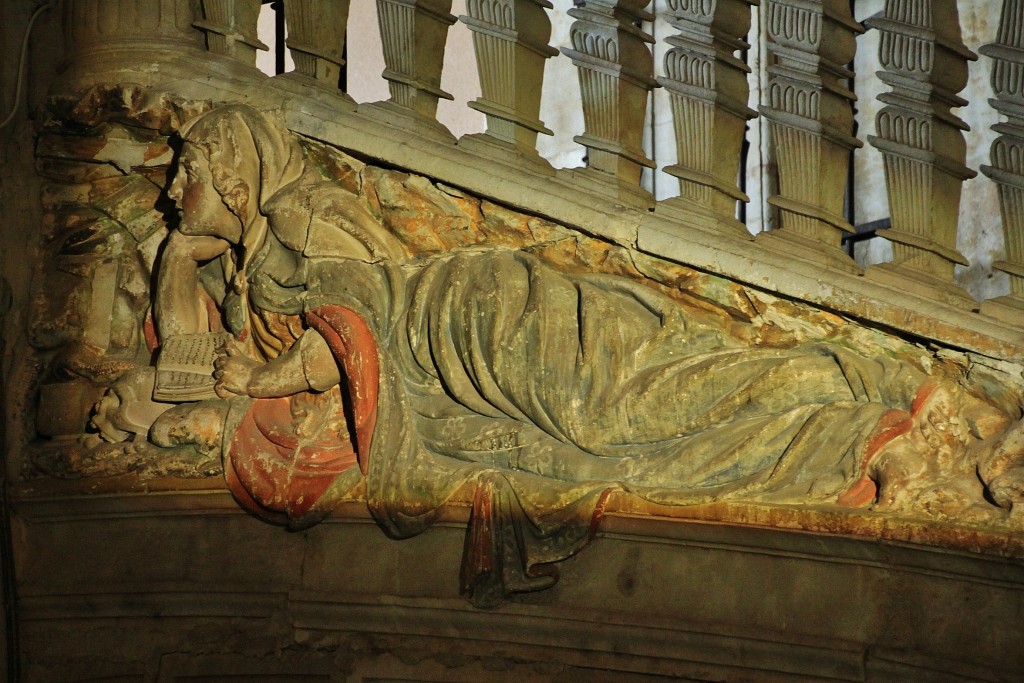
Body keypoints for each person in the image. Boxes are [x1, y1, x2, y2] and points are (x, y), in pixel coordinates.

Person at [147, 105, 1018, 605]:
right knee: (648, 422)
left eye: (186, 171)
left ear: (234, 179)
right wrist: (179, 257)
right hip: (463, 361)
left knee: (629, 409)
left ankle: (858, 397)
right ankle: (852, 424)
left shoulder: (300, 219)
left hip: (473, 324)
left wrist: (262, 374)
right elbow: (188, 347)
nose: (169, 192)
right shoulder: (250, 252)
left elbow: (355, 322)